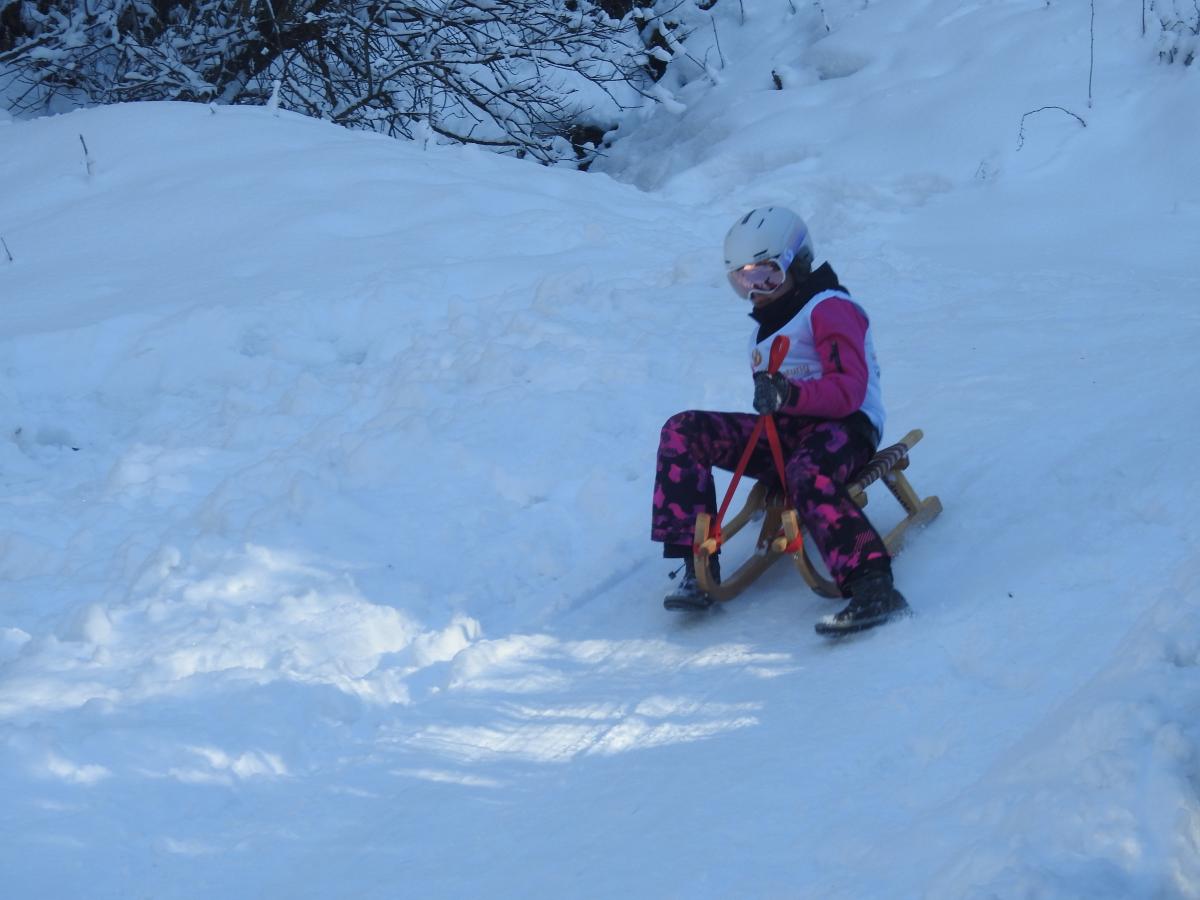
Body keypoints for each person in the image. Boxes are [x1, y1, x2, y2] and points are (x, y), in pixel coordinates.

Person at [652, 205, 910, 635]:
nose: (755, 289)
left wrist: (789, 394)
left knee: (806, 470)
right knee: (684, 430)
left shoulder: (829, 308)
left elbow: (849, 389)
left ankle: (873, 585)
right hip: (787, 432)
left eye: (765, 276)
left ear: (797, 263)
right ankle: (696, 565)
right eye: (743, 280)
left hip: (847, 427)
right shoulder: (765, 328)